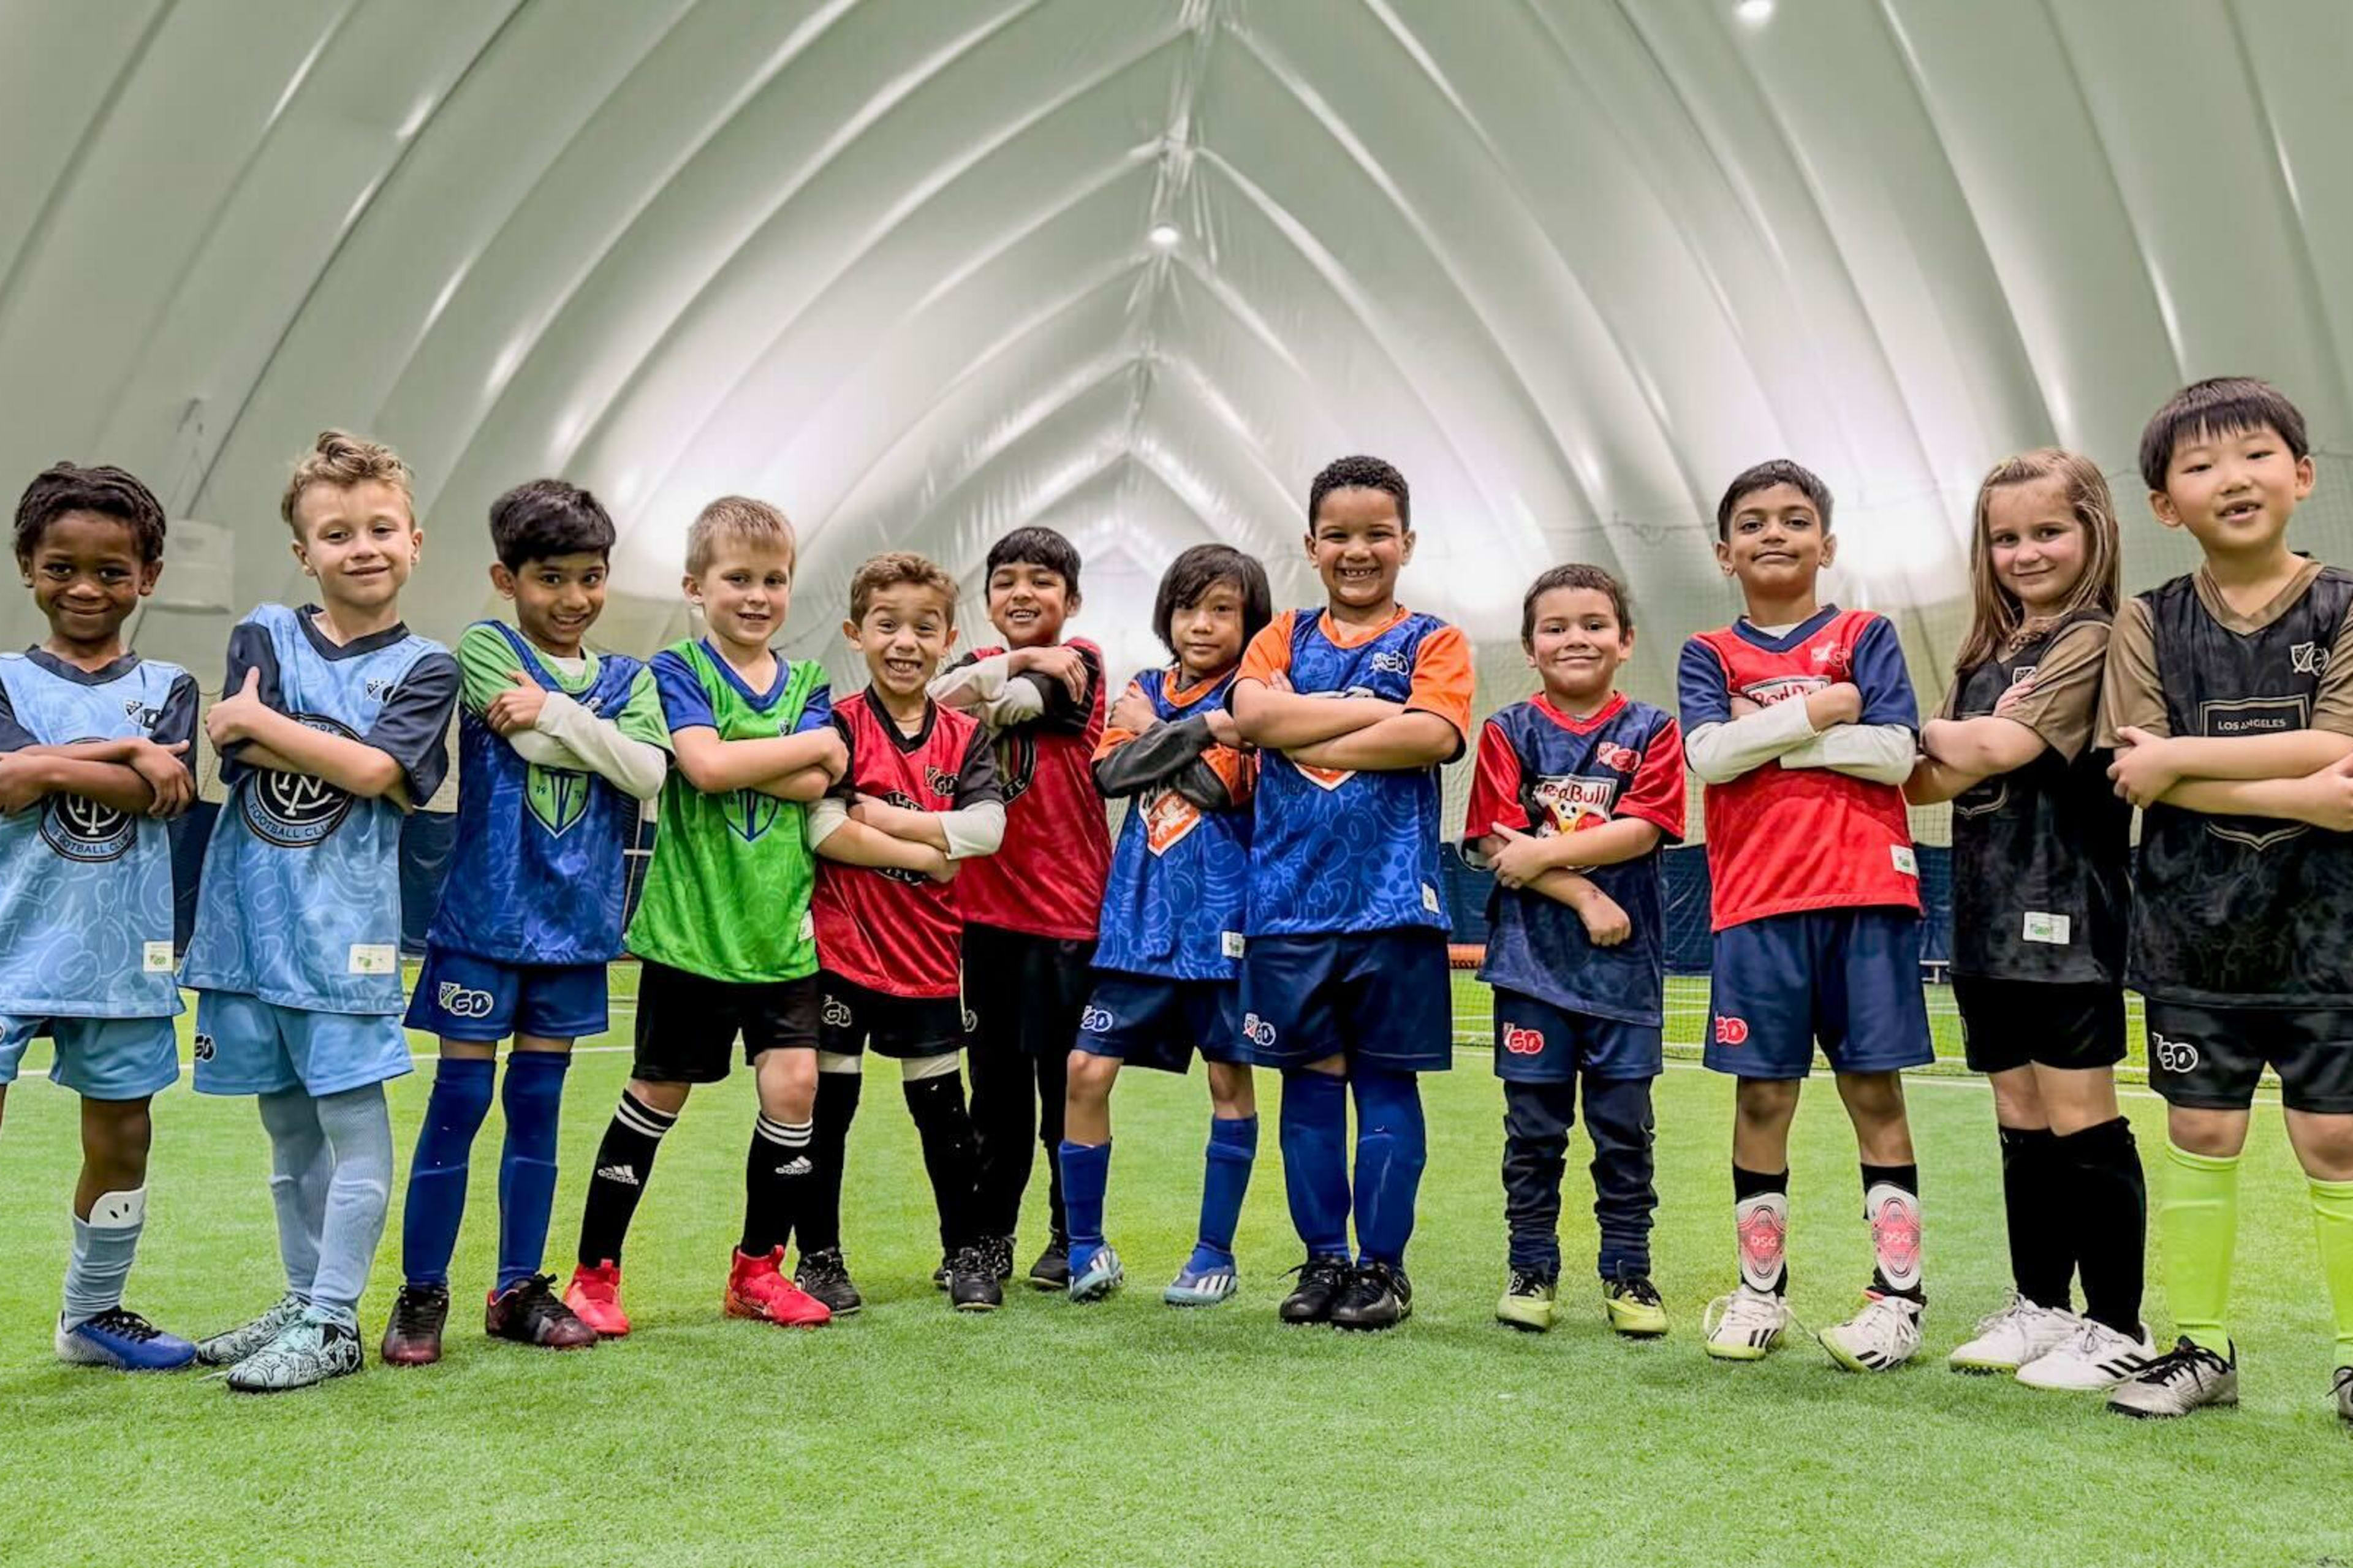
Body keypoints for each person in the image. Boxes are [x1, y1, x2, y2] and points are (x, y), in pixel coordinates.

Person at [2093, 379, 2353, 1424]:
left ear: (2303, 474)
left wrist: (2184, 765)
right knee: (2201, 1131)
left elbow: (2338, 745)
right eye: (2199, 465)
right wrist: (2308, 794)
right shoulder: (2148, 618)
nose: (2232, 478)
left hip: (2332, 935)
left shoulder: (2345, 605)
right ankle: (2202, 1346)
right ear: (2166, 503)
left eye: (2255, 454)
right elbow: (2133, 766)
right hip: (2192, 934)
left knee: (2336, 1142)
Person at [184, 431, 461, 1392]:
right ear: (304, 553)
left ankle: (337, 1317)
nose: (362, 547)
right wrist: (296, 743)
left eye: (381, 528)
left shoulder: (429, 667)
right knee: (288, 1132)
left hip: (347, 940)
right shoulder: (264, 630)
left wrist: (266, 723)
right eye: (337, 533)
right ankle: (304, 1297)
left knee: (350, 1122)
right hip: (246, 932)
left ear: (415, 541)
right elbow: (232, 748)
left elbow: (381, 771)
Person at [381, 479, 667, 1365]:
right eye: (551, 578)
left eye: (591, 577)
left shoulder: (631, 676)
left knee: (538, 1107)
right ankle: (422, 1293)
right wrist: (590, 735)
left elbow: (650, 775)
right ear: (506, 579)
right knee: (460, 1102)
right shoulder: (486, 645)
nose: (574, 598)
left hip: (576, 932)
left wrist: (559, 712)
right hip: (484, 923)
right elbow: (539, 744)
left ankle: (517, 1289)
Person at [563, 496, 845, 1336]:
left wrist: (741, 757)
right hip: (692, 932)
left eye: (774, 580)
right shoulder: (677, 669)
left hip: (782, 934)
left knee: (796, 1087)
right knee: (659, 1092)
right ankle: (594, 1275)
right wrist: (797, 750)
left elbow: (811, 782)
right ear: (696, 586)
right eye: (738, 579)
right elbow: (705, 765)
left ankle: (758, 1271)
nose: (757, 596)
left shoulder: (809, 682)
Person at [1677, 458, 1934, 1371]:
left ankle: (1897, 1300)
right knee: (1762, 1096)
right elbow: (1708, 757)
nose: (1774, 533)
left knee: (1875, 1091)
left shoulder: (1866, 632)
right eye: (1752, 522)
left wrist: (1770, 740)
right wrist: (1824, 712)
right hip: (1756, 902)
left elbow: (1896, 753)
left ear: (1826, 545)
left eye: (1794, 519)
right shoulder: (1709, 652)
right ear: (1725, 552)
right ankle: (1760, 1296)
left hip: (1867, 894)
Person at [1907, 450, 2148, 1388]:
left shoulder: (2096, 638)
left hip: (2067, 915)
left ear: (2094, 531)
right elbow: (1930, 779)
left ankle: (2117, 1322)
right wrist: (1947, 740)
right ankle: (2041, 1304)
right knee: (2019, 1115)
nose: (2026, 551)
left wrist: (1914, 728)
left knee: (2082, 1116)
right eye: (2007, 536)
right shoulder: (1980, 655)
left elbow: (1997, 743)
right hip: (1983, 917)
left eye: (2049, 531)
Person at [1228, 455, 1472, 1332]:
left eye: (1377, 534)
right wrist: (1378, 711)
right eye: (1338, 535)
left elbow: (1434, 735)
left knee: (1385, 1087)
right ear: (1311, 545)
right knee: (1309, 1088)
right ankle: (1326, 1258)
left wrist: (1303, 725)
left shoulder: (1435, 641)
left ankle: (1383, 1269)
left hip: (1394, 907)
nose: (1357, 550)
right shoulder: (1280, 635)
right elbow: (1254, 717)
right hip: (1286, 909)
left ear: (1407, 541)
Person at [0, 461, 200, 1370]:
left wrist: (44, 767)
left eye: (111, 570)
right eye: (62, 567)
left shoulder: (170, 684)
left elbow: (165, 792)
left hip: (121, 955)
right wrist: (125, 749)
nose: (85, 587)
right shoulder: (6, 679)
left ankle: (91, 1316)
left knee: (122, 1139)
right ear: (27, 568)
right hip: (10, 946)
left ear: (146, 576)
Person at [1462, 564, 1683, 1337]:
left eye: (1594, 624)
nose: (1575, 639)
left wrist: (1542, 855)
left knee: (1624, 1132)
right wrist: (1585, 894)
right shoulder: (1507, 731)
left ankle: (1629, 1273)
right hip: (1531, 969)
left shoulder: (1653, 730)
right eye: (1555, 628)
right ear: (1530, 648)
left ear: (1625, 641)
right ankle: (1531, 1267)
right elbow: (1496, 843)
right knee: (1534, 1133)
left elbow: (1645, 828)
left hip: (1625, 976)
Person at [1060, 543, 1271, 1307]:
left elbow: (1220, 788)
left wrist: (1159, 731)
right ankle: (1085, 1248)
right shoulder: (1144, 686)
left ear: (1250, 620)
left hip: (1222, 926)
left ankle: (1214, 1253)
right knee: (1085, 1072)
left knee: (1227, 1079)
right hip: (1135, 925)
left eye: (1222, 609)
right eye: (1188, 608)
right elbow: (1110, 773)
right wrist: (1195, 728)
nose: (1201, 624)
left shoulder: (1257, 695)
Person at [801, 551, 1005, 1313]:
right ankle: (819, 1258)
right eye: (887, 625)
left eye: (924, 628)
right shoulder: (837, 725)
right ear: (856, 633)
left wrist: (886, 818)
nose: (905, 643)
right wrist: (930, 854)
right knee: (828, 1110)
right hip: (844, 949)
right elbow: (826, 829)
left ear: (949, 639)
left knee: (943, 1112)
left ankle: (966, 1252)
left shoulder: (965, 736)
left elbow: (988, 830)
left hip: (927, 955)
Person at [928, 526, 1112, 1290]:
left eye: (1042, 581)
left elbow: (1000, 706)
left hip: (1070, 918)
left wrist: (998, 679)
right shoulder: (987, 660)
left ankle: (1073, 1238)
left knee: (1065, 1090)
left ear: (1072, 600)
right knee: (995, 1095)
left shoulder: (1084, 663)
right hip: (985, 921)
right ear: (987, 599)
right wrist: (1011, 662)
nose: (1022, 593)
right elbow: (931, 700)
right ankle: (989, 1238)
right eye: (1005, 581)